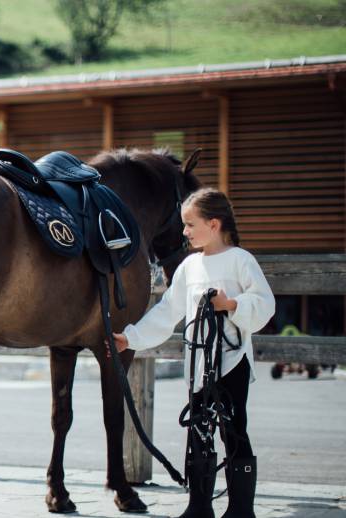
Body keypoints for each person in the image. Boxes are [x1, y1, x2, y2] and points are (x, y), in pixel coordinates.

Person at [111, 188, 274, 518]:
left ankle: (241, 510)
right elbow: (166, 312)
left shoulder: (242, 260)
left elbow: (265, 304)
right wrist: (131, 338)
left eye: (190, 224)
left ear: (213, 224)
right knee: (198, 429)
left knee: (233, 428)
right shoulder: (189, 266)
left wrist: (231, 305)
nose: (184, 232)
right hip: (199, 364)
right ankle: (199, 507)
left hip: (232, 362)